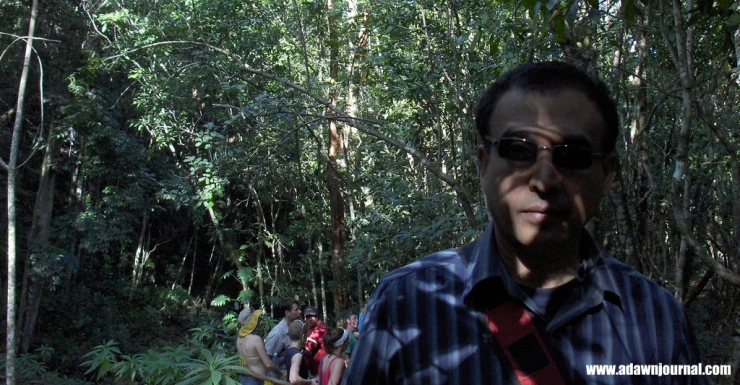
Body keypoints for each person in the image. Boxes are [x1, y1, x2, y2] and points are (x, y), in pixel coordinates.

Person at [345, 61, 709, 384]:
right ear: (484, 163)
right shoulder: (406, 301)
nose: (544, 180)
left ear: (607, 173)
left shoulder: (656, 317)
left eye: (573, 156)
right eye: (518, 151)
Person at [235, 307, 280, 385]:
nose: (259, 321)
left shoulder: (239, 338)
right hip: (256, 381)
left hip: (245, 379)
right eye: (257, 319)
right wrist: (280, 373)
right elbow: (268, 364)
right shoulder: (256, 339)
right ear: (253, 322)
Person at [265, 297, 302, 369]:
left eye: (299, 309)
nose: (300, 312)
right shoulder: (277, 334)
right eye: (296, 310)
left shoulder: (297, 326)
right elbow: (267, 360)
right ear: (287, 313)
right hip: (283, 375)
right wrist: (289, 356)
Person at [283, 320, 317, 385]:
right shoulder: (297, 355)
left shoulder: (288, 350)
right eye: (307, 335)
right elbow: (293, 379)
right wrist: (310, 382)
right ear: (303, 336)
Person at [302, 306, 328, 377]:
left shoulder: (319, 329)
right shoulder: (312, 327)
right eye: (308, 316)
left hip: (320, 368)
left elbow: (308, 349)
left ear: (317, 316)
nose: (310, 319)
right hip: (319, 366)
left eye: (313, 316)